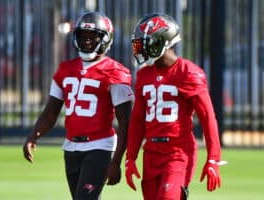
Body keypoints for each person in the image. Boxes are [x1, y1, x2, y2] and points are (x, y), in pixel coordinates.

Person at [23, 11, 134, 200]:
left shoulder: (115, 72)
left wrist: (116, 162)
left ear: (105, 39)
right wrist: (34, 135)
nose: (87, 41)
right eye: (83, 36)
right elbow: (51, 112)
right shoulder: (65, 70)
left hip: (100, 146)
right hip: (71, 147)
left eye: (93, 37)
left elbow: (125, 122)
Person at [124, 13, 227, 200]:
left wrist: (213, 158)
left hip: (178, 152)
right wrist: (131, 157)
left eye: (145, 42)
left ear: (161, 42)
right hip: (151, 153)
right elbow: (138, 120)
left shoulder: (188, 72)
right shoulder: (144, 75)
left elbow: (207, 117)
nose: (140, 48)